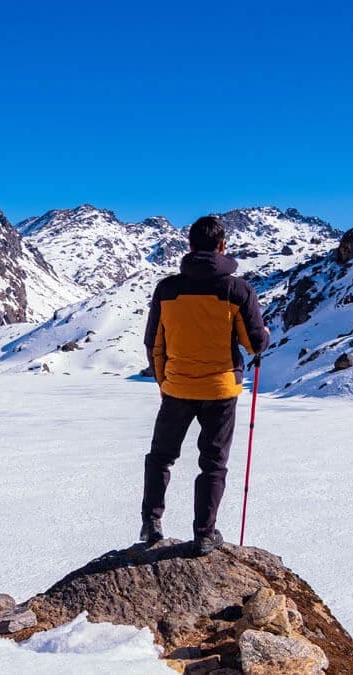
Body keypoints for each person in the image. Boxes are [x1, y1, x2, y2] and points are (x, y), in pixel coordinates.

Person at [141, 215, 270, 555]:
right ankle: (204, 533)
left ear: (190, 246)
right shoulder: (237, 290)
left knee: (161, 456)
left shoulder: (167, 289)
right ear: (222, 246)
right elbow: (254, 343)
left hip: (177, 387)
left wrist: (164, 382)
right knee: (213, 463)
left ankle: (151, 522)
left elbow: (154, 343)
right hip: (220, 389)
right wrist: (265, 336)